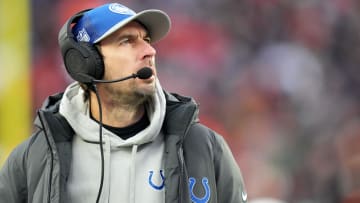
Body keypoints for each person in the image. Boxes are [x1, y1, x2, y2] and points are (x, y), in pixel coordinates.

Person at [0, 2, 247, 203]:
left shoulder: (204, 147)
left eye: (147, 39)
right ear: (86, 64)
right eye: (127, 41)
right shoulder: (33, 158)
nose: (150, 51)